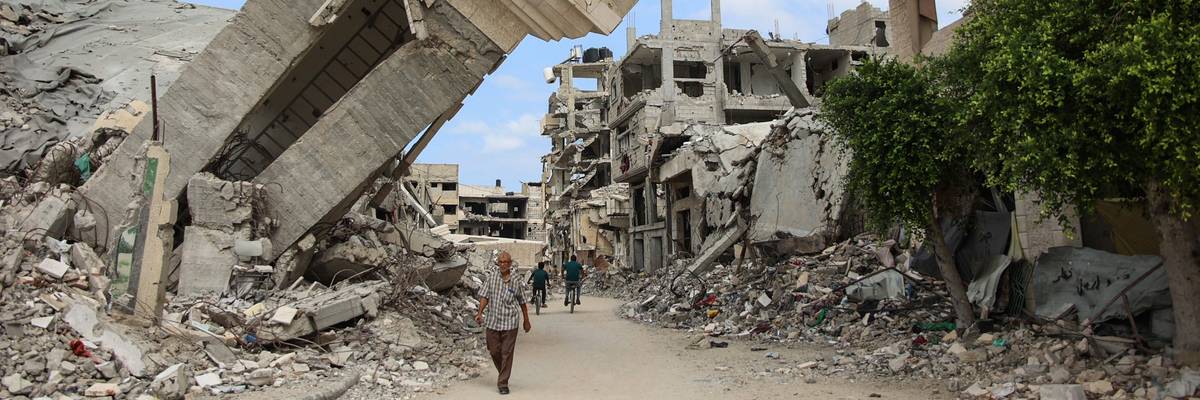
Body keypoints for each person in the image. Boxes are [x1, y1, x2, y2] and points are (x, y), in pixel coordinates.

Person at [474, 251, 532, 395]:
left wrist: (526, 320)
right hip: (493, 321)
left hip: (510, 322)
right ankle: (503, 372)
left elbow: (522, 301)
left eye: (506, 262)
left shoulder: (516, 279)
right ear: (498, 263)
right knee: (494, 350)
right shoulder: (492, 277)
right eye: (501, 262)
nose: (503, 264)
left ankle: (503, 383)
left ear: (510, 264)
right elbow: (485, 296)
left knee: (506, 352)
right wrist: (480, 312)